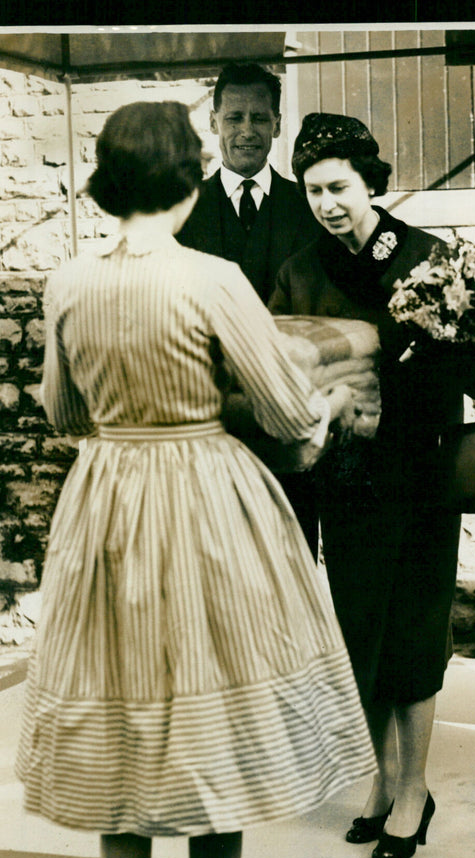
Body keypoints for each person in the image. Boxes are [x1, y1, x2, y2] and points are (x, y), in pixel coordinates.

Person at [15, 101, 375, 858]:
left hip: (106, 508)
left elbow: (62, 419)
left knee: (126, 726)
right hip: (208, 501)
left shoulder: (68, 280)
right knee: (213, 722)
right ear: (188, 177)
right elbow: (291, 413)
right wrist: (327, 407)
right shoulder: (212, 277)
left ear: (106, 179)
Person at [269, 113, 475, 858]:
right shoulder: (300, 272)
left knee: (415, 629)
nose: (328, 203)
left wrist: (409, 364)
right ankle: (380, 778)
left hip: (422, 473)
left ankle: (416, 787)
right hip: (349, 478)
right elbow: (282, 371)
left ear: (373, 182)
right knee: (361, 628)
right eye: (313, 191)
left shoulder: (430, 260)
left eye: (339, 187)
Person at [177, 62, 322, 556]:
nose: (246, 131)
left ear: (278, 125)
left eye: (259, 119)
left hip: (287, 426)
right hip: (210, 425)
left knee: (290, 557)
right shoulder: (183, 211)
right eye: (234, 117)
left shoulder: (308, 210)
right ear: (214, 121)